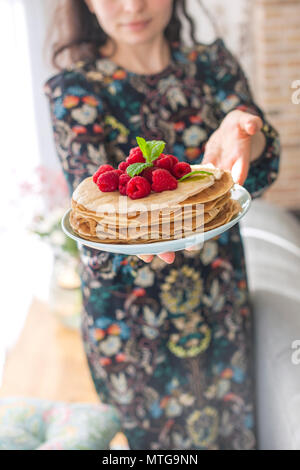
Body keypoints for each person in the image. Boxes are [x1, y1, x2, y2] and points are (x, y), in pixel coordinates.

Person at [44, 0, 281, 450]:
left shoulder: (213, 65)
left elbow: (258, 168)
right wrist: (137, 233)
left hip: (218, 305)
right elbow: (94, 208)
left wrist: (250, 132)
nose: (133, 6)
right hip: (131, 327)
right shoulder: (75, 91)